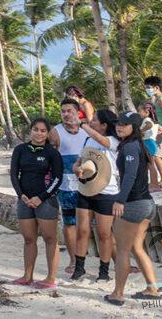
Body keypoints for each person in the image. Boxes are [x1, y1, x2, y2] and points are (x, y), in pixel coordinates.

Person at [105, 111, 160, 306]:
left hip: (133, 205)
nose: (120, 126)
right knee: (137, 248)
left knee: (122, 250)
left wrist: (120, 200)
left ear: (134, 128)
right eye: (118, 123)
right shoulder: (139, 145)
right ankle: (152, 288)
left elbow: (129, 177)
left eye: (125, 124)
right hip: (147, 204)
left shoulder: (129, 147)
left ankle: (118, 294)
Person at [9, 118, 63, 289]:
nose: (38, 133)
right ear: (30, 131)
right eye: (35, 129)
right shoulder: (20, 150)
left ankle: (50, 278)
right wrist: (21, 195)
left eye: (42, 131)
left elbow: (57, 178)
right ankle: (27, 276)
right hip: (24, 201)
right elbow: (13, 174)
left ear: (47, 134)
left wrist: (42, 197)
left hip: (46, 201)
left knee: (50, 239)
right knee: (29, 239)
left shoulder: (52, 153)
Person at [71, 109, 120, 281]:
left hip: (106, 192)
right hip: (85, 188)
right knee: (82, 230)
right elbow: (79, 161)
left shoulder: (114, 141)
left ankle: (104, 271)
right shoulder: (87, 140)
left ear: (104, 125)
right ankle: (79, 268)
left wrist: (82, 125)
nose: (91, 121)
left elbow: (103, 141)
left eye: (94, 120)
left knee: (104, 233)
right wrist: (76, 168)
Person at [48, 98, 88, 275]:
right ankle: (73, 261)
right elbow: (50, 157)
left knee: (94, 225)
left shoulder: (87, 131)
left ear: (77, 112)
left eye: (69, 110)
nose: (66, 114)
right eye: (63, 111)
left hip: (89, 185)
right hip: (66, 187)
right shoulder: (55, 132)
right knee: (70, 224)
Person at [144, 77, 162, 188]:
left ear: (156, 87)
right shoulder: (154, 98)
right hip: (159, 129)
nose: (147, 89)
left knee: (156, 155)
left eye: (148, 87)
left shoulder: (161, 99)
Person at [138, 102, 162, 192]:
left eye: (140, 111)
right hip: (151, 142)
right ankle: (154, 184)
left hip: (148, 143)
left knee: (151, 166)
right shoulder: (155, 121)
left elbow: (149, 125)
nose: (139, 113)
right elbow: (161, 130)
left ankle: (154, 185)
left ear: (146, 112)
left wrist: (140, 131)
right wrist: (154, 135)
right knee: (151, 166)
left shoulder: (147, 119)